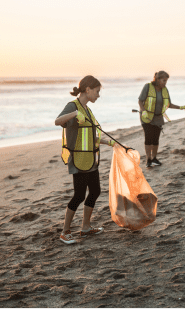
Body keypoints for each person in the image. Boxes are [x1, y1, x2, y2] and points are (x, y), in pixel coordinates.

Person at [55, 75, 118, 244]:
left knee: (95, 191)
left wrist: (110, 142)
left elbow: (90, 137)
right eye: (97, 91)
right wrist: (75, 114)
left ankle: (85, 228)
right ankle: (65, 232)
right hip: (79, 159)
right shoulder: (73, 106)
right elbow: (57, 121)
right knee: (79, 195)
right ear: (88, 89)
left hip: (91, 158)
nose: (98, 95)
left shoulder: (88, 110)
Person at [138, 71, 185, 168]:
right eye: (164, 80)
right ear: (158, 79)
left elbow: (169, 104)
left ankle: (154, 158)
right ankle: (148, 159)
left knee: (156, 139)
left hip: (158, 117)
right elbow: (140, 100)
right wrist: (143, 110)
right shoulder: (147, 87)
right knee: (149, 138)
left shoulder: (165, 90)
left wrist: (181, 107)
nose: (165, 83)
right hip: (146, 117)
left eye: (166, 81)